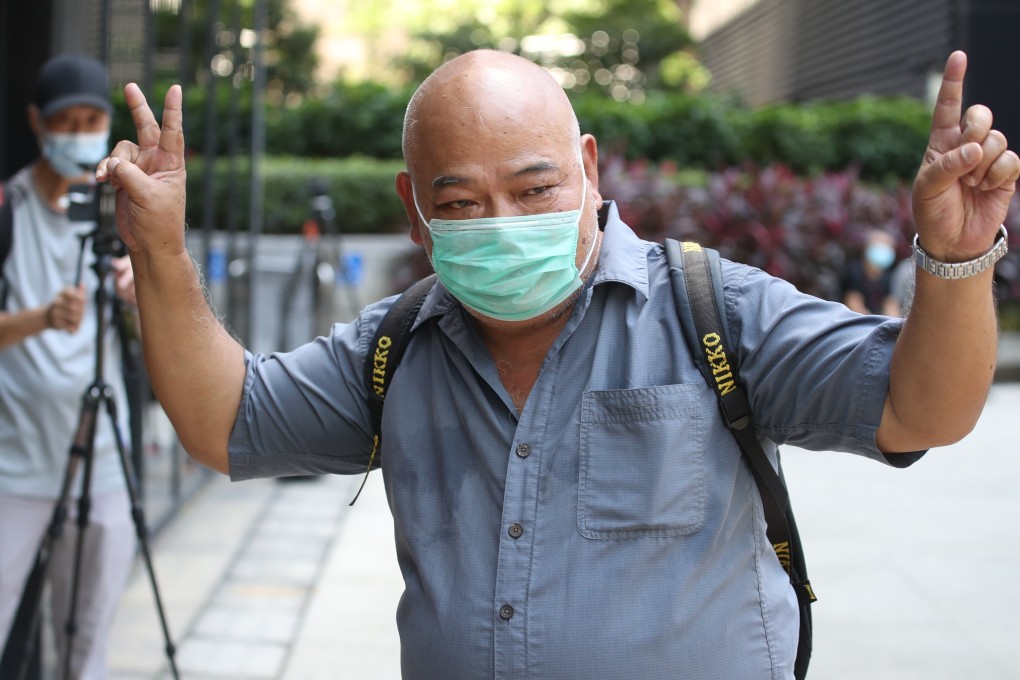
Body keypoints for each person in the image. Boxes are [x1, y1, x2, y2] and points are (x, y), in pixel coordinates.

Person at [98, 49, 1017, 678]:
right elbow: (229, 422)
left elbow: (922, 411)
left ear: (586, 167)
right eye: (461, 201)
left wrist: (957, 259)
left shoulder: (714, 312)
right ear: (414, 212)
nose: (503, 224)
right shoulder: (395, 348)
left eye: (535, 189)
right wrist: (164, 255)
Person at [0, 53, 138, 679]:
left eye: (93, 120)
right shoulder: (7, 209)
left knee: (87, 648)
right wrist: (39, 318)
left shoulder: (118, 211)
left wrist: (145, 289)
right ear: (37, 121)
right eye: (68, 119)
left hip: (101, 466)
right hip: (14, 467)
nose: (80, 132)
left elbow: (152, 338)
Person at [841, 228, 902, 315]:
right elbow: (854, 305)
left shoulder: (886, 277)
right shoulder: (855, 273)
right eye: (880, 247)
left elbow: (890, 305)